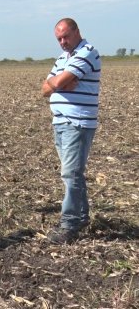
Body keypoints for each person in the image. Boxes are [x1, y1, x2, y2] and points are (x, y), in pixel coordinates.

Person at [41, 18, 101, 244]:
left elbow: (55, 84)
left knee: (70, 174)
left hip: (78, 123)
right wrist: (59, 83)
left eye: (66, 36)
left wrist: (58, 83)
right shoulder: (62, 58)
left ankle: (69, 224)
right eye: (59, 39)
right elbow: (44, 89)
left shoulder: (87, 52)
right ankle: (81, 217)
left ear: (77, 31)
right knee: (73, 174)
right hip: (61, 122)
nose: (63, 42)